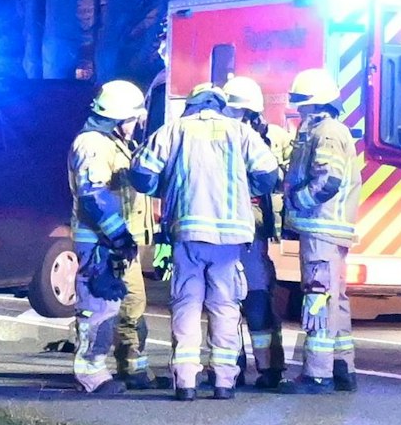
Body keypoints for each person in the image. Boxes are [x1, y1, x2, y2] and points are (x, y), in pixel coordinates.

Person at [131, 82, 280, 399]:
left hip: (188, 233)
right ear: (220, 104)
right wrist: (244, 187)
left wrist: (166, 188)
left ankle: (185, 382)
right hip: (229, 239)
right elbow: (268, 175)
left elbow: (141, 173)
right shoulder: (240, 132)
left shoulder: (175, 130)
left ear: (192, 104)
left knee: (187, 304)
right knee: (225, 306)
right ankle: (224, 382)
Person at [281, 69, 360, 395]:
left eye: (301, 103)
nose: (299, 110)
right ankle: (342, 366)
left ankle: (317, 374)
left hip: (321, 228)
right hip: (331, 230)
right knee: (335, 301)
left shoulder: (325, 133)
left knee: (317, 299)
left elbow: (328, 180)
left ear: (314, 104)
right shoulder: (327, 129)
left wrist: (297, 201)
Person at [65, 80, 146, 395]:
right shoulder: (93, 144)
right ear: (119, 116)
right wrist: (119, 236)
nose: (135, 124)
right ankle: (91, 375)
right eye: (132, 118)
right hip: (100, 242)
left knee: (121, 305)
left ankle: (127, 371)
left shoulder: (110, 141)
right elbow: (93, 196)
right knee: (97, 309)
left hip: (112, 240)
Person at [223, 76, 290, 388]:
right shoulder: (250, 138)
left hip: (242, 231)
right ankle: (248, 366)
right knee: (240, 298)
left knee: (243, 298)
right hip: (240, 229)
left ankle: (254, 367)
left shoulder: (264, 138)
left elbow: (279, 177)